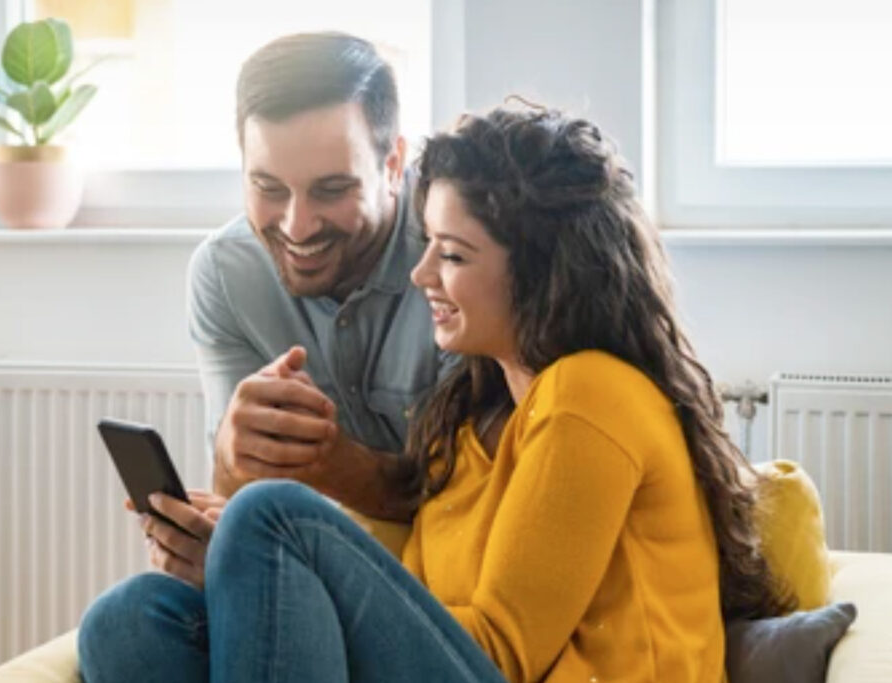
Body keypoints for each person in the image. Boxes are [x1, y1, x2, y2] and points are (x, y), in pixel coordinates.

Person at [79, 105, 796, 682]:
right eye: (426, 243)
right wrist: (242, 575)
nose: (422, 272)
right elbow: (403, 632)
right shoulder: (466, 426)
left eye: (452, 254)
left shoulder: (591, 394)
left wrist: (265, 546)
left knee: (275, 517)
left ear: (544, 272)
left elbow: (502, 656)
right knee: (132, 617)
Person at [128, 32, 452, 589]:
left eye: (331, 189)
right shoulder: (227, 275)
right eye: (268, 187)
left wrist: (333, 464)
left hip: (434, 579)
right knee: (129, 615)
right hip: (310, 567)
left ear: (393, 162)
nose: (296, 226)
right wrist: (217, 507)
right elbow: (238, 491)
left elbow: (478, 506)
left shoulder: (457, 254)